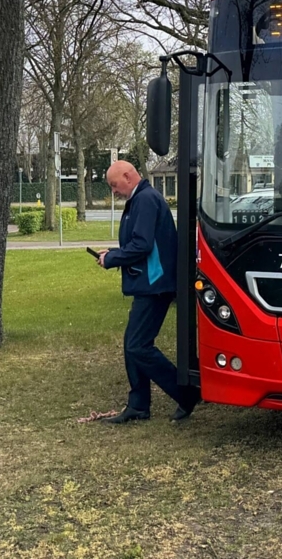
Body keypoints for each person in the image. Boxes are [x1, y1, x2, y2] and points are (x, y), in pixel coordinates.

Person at [97, 160, 199, 424]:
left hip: (155, 286)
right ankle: (138, 405)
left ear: (128, 176)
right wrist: (114, 254)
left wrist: (112, 258)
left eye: (114, 185)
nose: (113, 191)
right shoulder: (141, 199)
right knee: (134, 345)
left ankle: (186, 393)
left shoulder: (145, 200)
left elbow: (142, 245)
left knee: (137, 346)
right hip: (149, 285)